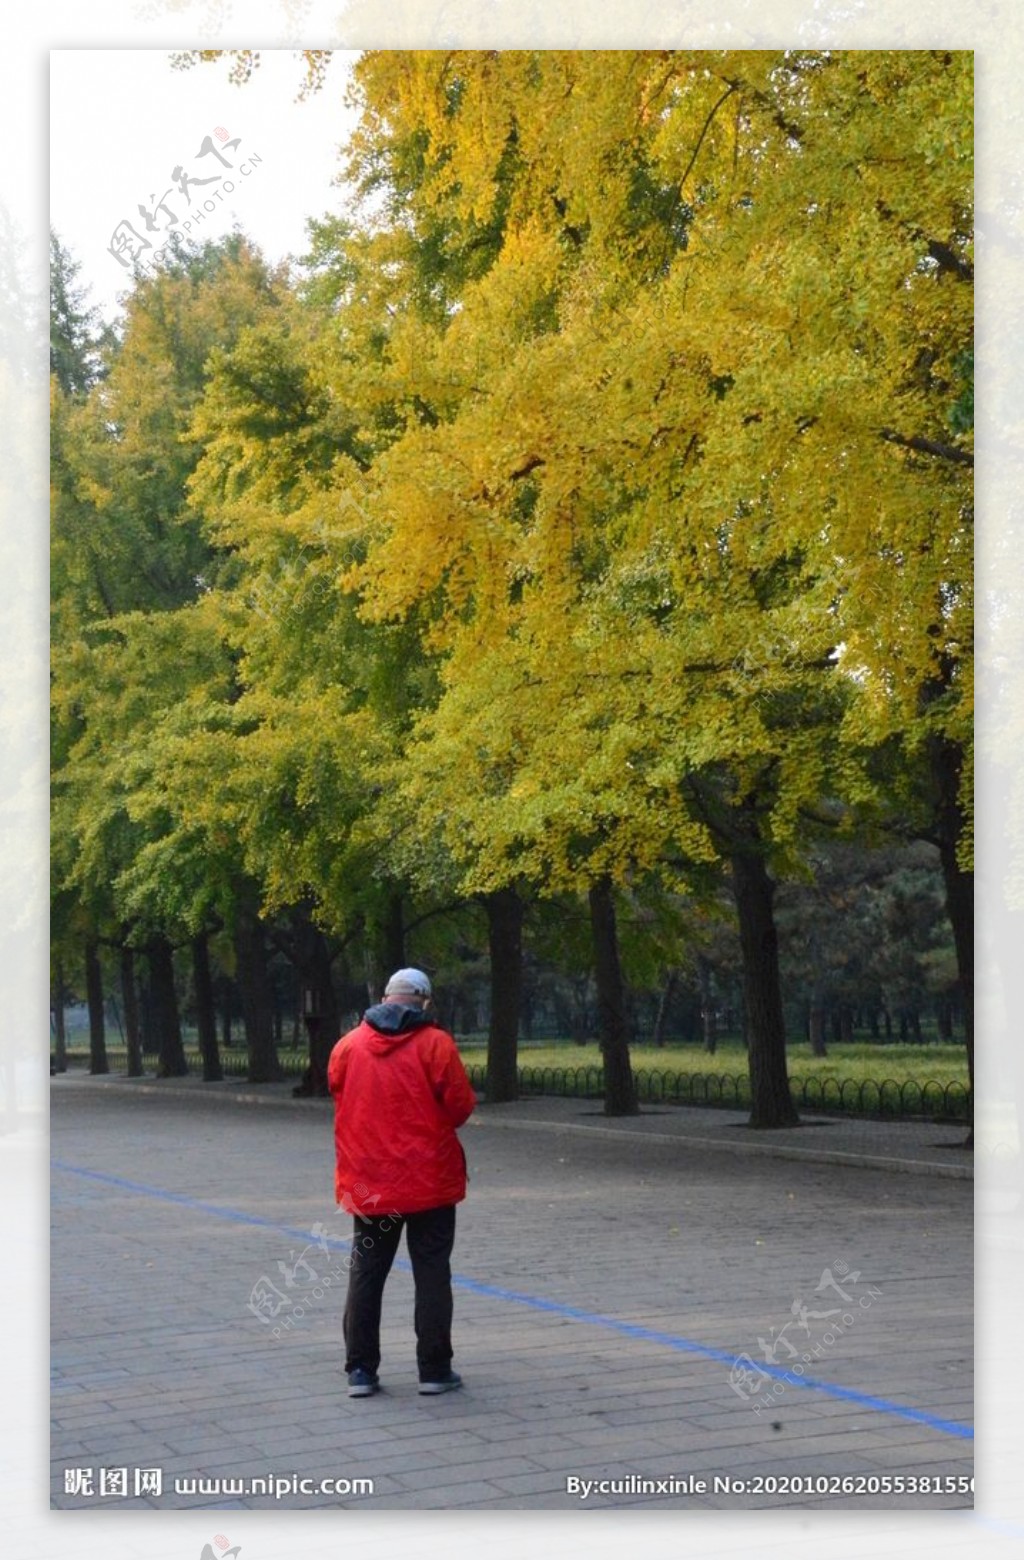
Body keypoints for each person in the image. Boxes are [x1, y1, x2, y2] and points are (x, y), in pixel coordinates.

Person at [327, 967, 477, 1398]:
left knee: (367, 1273)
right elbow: (460, 1107)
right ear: (424, 1001)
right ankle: (434, 1370)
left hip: (369, 1183)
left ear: (384, 997)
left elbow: (339, 1093)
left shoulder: (347, 1046)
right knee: (431, 1272)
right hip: (429, 1181)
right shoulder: (437, 1045)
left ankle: (360, 1371)